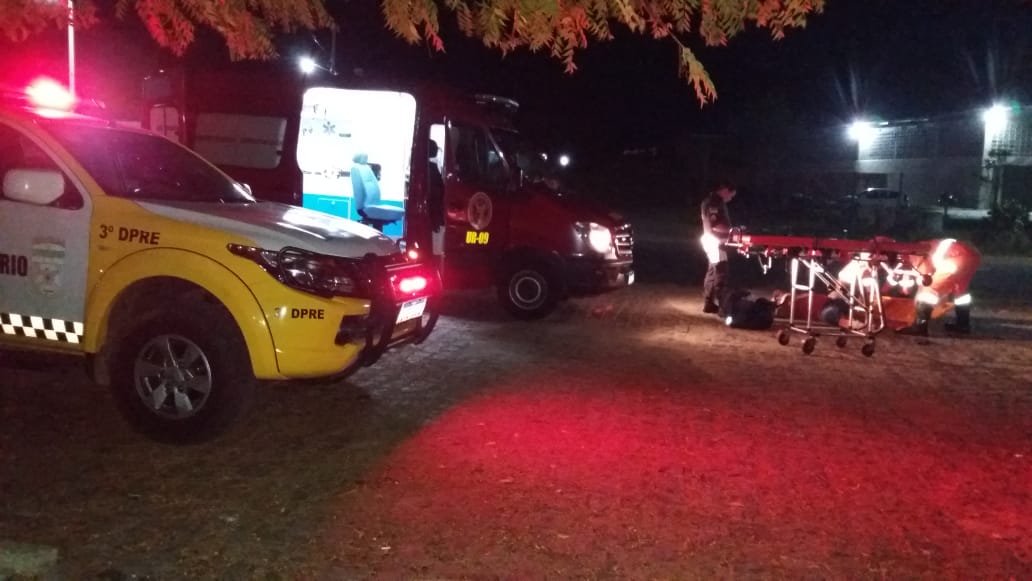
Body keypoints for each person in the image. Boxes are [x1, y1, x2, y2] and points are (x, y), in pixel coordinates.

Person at [699, 180, 737, 314]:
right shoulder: (715, 203)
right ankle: (722, 305)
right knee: (721, 272)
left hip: (711, 240)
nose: (730, 198)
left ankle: (708, 303)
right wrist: (732, 231)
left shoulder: (710, 201)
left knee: (712, 272)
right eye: (731, 195)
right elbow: (714, 224)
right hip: (716, 241)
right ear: (725, 190)